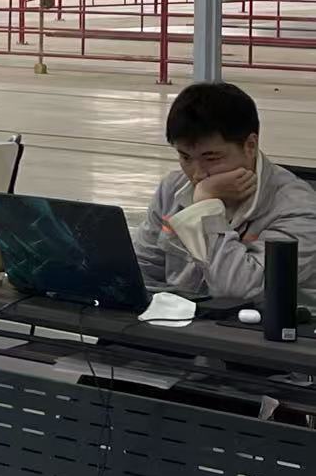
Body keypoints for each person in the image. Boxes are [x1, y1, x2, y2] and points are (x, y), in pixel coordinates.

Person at [135, 81, 316, 307]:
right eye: (185, 157)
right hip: (182, 321)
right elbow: (141, 270)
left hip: (254, 327)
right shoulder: (173, 189)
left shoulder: (297, 208)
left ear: (250, 146)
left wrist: (206, 208)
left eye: (211, 158)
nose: (198, 174)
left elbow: (239, 291)